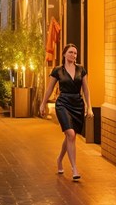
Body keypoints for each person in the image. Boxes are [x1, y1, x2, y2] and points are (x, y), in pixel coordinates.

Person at [38, 43, 92, 181]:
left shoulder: (81, 70)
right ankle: (74, 168)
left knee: (70, 136)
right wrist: (43, 104)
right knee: (71, 134)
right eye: (70, 52)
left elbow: (86, 90)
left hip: (77, 104)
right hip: (63, 103)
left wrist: (89, 107)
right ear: (64, 54)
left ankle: (59, 159)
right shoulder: (58, 71)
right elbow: (49, 89)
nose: (73, 55)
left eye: (75, 53)